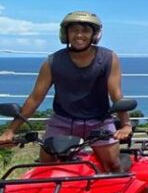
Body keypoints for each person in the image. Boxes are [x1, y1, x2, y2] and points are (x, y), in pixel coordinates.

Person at [0, 11, 132, 173]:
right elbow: (35, 98)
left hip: (99, 120)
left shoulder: (108, 58)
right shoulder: (53, 62)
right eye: (74, 30)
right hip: (63, 120)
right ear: (66, 34)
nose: (79, 35)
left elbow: (116, 94)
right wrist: (11, 130)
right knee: (45, 167)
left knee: (113, 166)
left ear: (94, 35)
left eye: (85, 31)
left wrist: (125, 125)